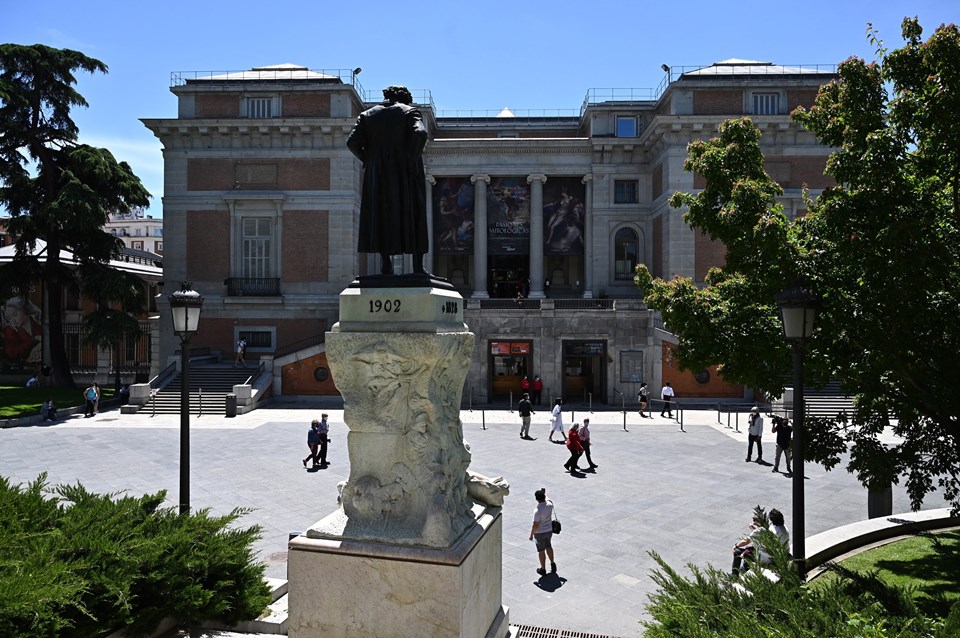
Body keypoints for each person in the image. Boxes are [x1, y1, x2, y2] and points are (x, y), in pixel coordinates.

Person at [346, 85, 429, 275]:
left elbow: (352, 142)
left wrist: (368, 159)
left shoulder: (367, 115)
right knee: (415, 213)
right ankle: (417, 267)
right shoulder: (409, 112)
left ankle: (386, 265)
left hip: (377, 173)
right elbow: (420, 133)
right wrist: (410, 157)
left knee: (380, 215)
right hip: (405, 172)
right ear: (405, 99)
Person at [528, 488, 557, 576]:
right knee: (549, 546)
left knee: (541, 551)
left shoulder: (537, 511)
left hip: (539, 534)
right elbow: (547, 499)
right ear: (544, 496)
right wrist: (545, 493)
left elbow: (535, 525)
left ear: (536, 499)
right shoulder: (550, 505)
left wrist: (531, 535)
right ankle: (552, 563)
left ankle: (543, 569)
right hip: (549, 530)